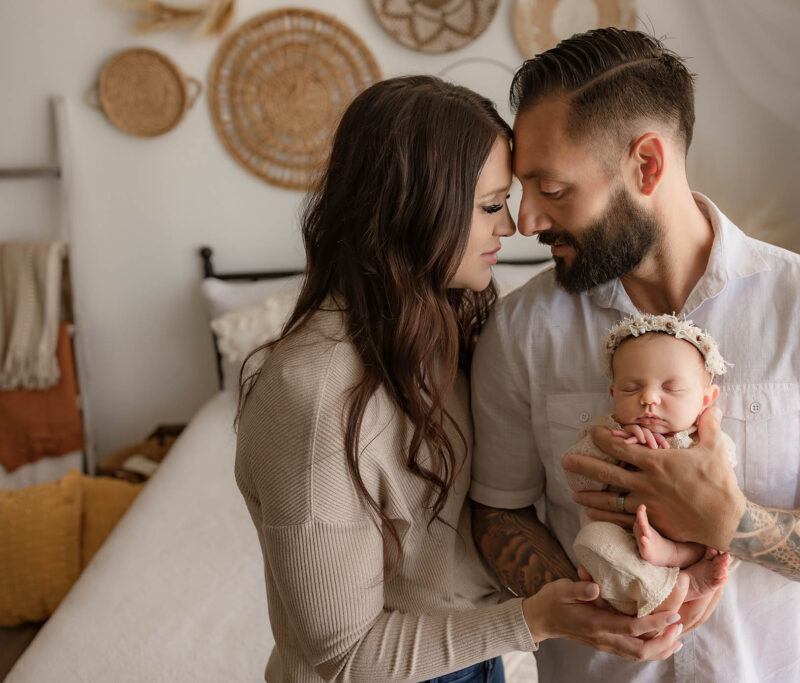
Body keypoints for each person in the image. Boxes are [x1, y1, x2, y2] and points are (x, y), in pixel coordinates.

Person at [470, 29, 800, 682]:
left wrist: (731, 521)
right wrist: (589, 603)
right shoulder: (521, 327)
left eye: (554, 190)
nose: (528, 220)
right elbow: (496, 509)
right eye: (521, 191)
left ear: (646, 166)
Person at [233, 75, 685, 683]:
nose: (516, 225)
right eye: (492, 205)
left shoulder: (439, 330)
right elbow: (342, 657)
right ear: (415, 209)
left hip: (468, 658)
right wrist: (532, 620)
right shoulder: (311, 394)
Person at [566, 313, 732, 619]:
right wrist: (608, 447)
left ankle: (677, 562)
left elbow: (725, 491)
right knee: (590, 542)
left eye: (672, 389)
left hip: (690, 543)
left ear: (706, 399)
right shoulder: (607, 431)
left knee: (724, 536)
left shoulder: (703, 442)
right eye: (631, 389)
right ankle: (677, 585)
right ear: (613, 395)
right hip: (624, 540)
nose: (649, 399)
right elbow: (579, 482)